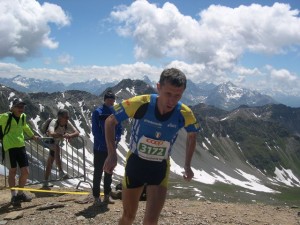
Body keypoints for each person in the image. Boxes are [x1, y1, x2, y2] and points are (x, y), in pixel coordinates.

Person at [103, 68, 200, 225]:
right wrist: (112, 154)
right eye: (168, 93)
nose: (172, 101)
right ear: (158, 87)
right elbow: (110, 121)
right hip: (136, 165)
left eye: (178, 96)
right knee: (128, 217)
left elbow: (192, 135)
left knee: (151, 221)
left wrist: (187, 165)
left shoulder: (184, 113)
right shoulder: (141, 103)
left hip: (159, 168)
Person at [0, 98, 39, 207]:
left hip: (21, 146)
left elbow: (25, 126)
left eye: (22, 107)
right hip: (9, 147)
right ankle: (13, 196)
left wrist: (32, 135)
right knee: (12, 171)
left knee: (25, 171)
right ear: (13, 108)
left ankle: (20, 193)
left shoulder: (23, 117)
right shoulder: (5, 117)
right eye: (18, 107)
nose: (21, 109)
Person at [91, 90, 122, 206]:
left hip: (110, 149)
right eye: (109, 100)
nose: (111, 102)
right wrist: (108, 143)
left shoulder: (116, 112)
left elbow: (119, 128)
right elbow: (95, 131)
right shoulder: (97, 112)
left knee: (109, 171)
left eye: (112, 100)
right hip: (100, 149)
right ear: (105, 100)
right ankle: (96, 197)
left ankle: (107, 196)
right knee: (98, 172)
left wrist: (117, 139)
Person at [43, 109, 79, 187]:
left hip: (56, 141)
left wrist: (69, 135)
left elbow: (77, 132)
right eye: (66, 117)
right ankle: (60, 172)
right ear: (60, 117)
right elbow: (51, 133)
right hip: (48, 139)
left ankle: (45, 181)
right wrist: (62, 135)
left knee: (51, 160)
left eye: (68, 117)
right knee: (56, 148)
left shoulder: (67, 122)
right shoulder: (53, 122)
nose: (67, 119)